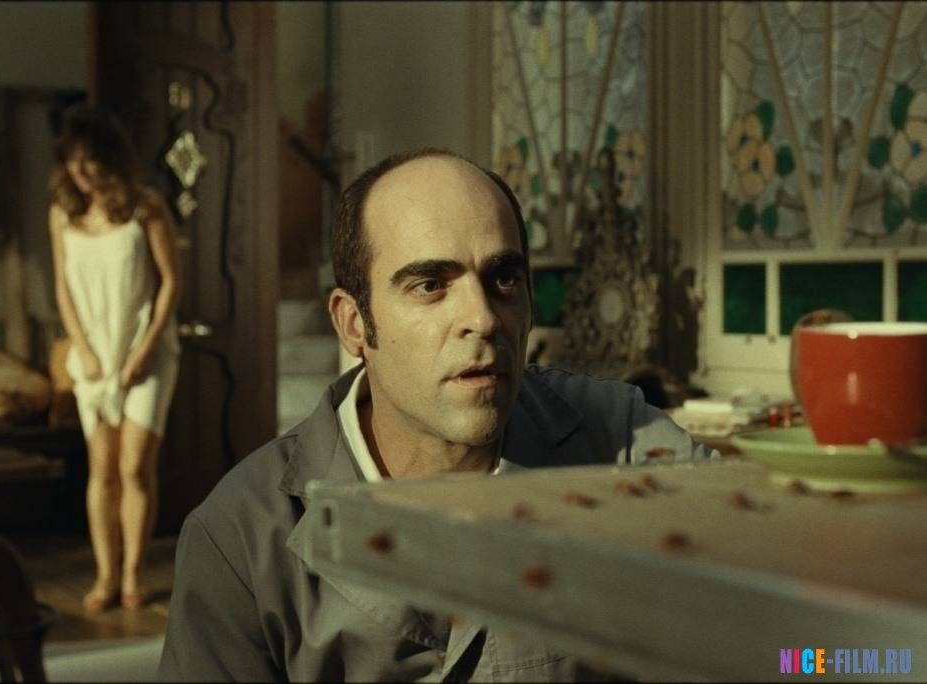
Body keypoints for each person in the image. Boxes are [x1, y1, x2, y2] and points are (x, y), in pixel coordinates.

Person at [158, 149, 715, 680]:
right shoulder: (240, 538)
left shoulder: (618, 442)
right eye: (430, 285)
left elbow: (775, 632)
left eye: (503, 278)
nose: (483, 318)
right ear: (354, 324)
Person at [48, 105, 181, 612]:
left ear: (109, 156)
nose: (81, 171)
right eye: (72, 160)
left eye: (89, 159)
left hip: (146, 351)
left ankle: (132, 575)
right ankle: (105, 576)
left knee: (135, 468)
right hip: (94, 355)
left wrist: (144, 351)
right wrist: (81, 348)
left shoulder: (146, 207)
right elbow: (62, 288)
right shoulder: (62, 214)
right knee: (101, 469)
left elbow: (170, 283)